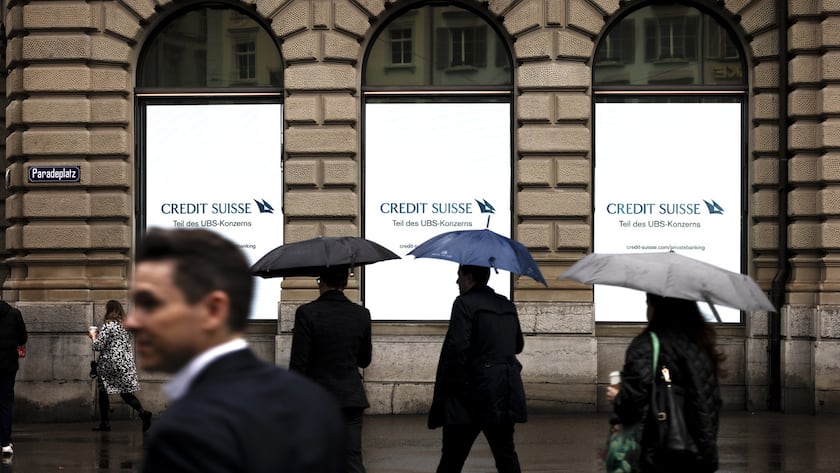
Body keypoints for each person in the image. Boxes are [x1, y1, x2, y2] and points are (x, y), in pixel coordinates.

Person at [124, 228, 345, 473]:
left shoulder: (182, 431)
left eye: (151, 303)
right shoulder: (315, 403)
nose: (131, 321)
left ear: (213, 310)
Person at [607, 293, 724, 473]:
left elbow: (632, 403)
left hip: (657, 454)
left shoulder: (647, 345)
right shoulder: (701, 345)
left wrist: (618, 397)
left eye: (648, 303)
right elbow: (709, 402)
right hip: (699, 454)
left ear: (656, 308)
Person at [428, 264, 527, 473]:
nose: (457, 282)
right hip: (503, 391)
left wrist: (451, 392)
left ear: (469, 277)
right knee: (506, 456)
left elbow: (457, 349)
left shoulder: (464, 304)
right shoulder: (506, 305)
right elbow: (518, 345)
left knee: (452, 459)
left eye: (459, 276)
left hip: (470, 396)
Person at [289, 265, 373, 473]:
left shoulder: (307, 313)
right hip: (351, 398)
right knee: (352, 459)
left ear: (321, 283)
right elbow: (364, 359)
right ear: (345, 283)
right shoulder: (361, 314)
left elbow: (298, 364)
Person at [89, 299, 152, 432]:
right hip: (125, 363)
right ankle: (143, 412)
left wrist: (94, 336)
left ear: (108, 310)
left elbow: (98, 346)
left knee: (103, 392)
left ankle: (105, 423)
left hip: (110, 362)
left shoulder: (108, 325)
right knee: (125, 393)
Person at [0, 301, 26, 457]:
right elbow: (22, 338)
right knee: (5, 403)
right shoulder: (14, 314)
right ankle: (5, 442)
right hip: (7, 365)